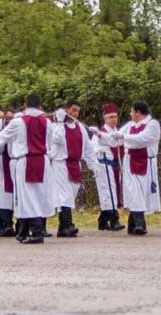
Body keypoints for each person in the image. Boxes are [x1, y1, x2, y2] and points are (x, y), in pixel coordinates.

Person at [0, 94, 57, 244]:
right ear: (39, 105)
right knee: (38, 195)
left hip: (26, 160)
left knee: (27, 196)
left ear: (25, 105)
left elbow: (0, 139)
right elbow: (51, 141)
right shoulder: (47, 122)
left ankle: (36, 232)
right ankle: (23, 231)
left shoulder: (17, 122)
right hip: (42, 160)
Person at [110, 101, 161, 235]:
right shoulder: (129, 125)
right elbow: (115, 139)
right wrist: (100, 135)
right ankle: (135, 224)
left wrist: (123, 137)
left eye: (132, 111)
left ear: (138, 112)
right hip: (130, 162)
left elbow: (142, 139)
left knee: (140, 192)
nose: (130, 114)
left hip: (145, 163)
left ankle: (138, 223)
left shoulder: (153, 125)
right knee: (133, 192)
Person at [51, 101, 98, 238]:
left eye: (77, 111)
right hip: (61, 163)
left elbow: (88, 148)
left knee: (71, 193)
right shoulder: (57, 127)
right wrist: (60, 122)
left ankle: (65, 225)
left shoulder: (80, 128)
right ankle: (66, 225)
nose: (75, 113)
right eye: (73, 110)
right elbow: (57, 139)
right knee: (64, 195)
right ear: (66, 110)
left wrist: (93, 166)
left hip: (75, 164)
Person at [89, 104, 125, 231]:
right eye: (110, 117)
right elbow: (93, 149)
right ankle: (114, 220)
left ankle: (103, 220)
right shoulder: (99, 133)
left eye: (115, 117)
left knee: (114, 192)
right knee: (108, 192)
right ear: (105, 119)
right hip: (104, 165)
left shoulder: (118, 132)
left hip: (116, 166)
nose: (114, 120)